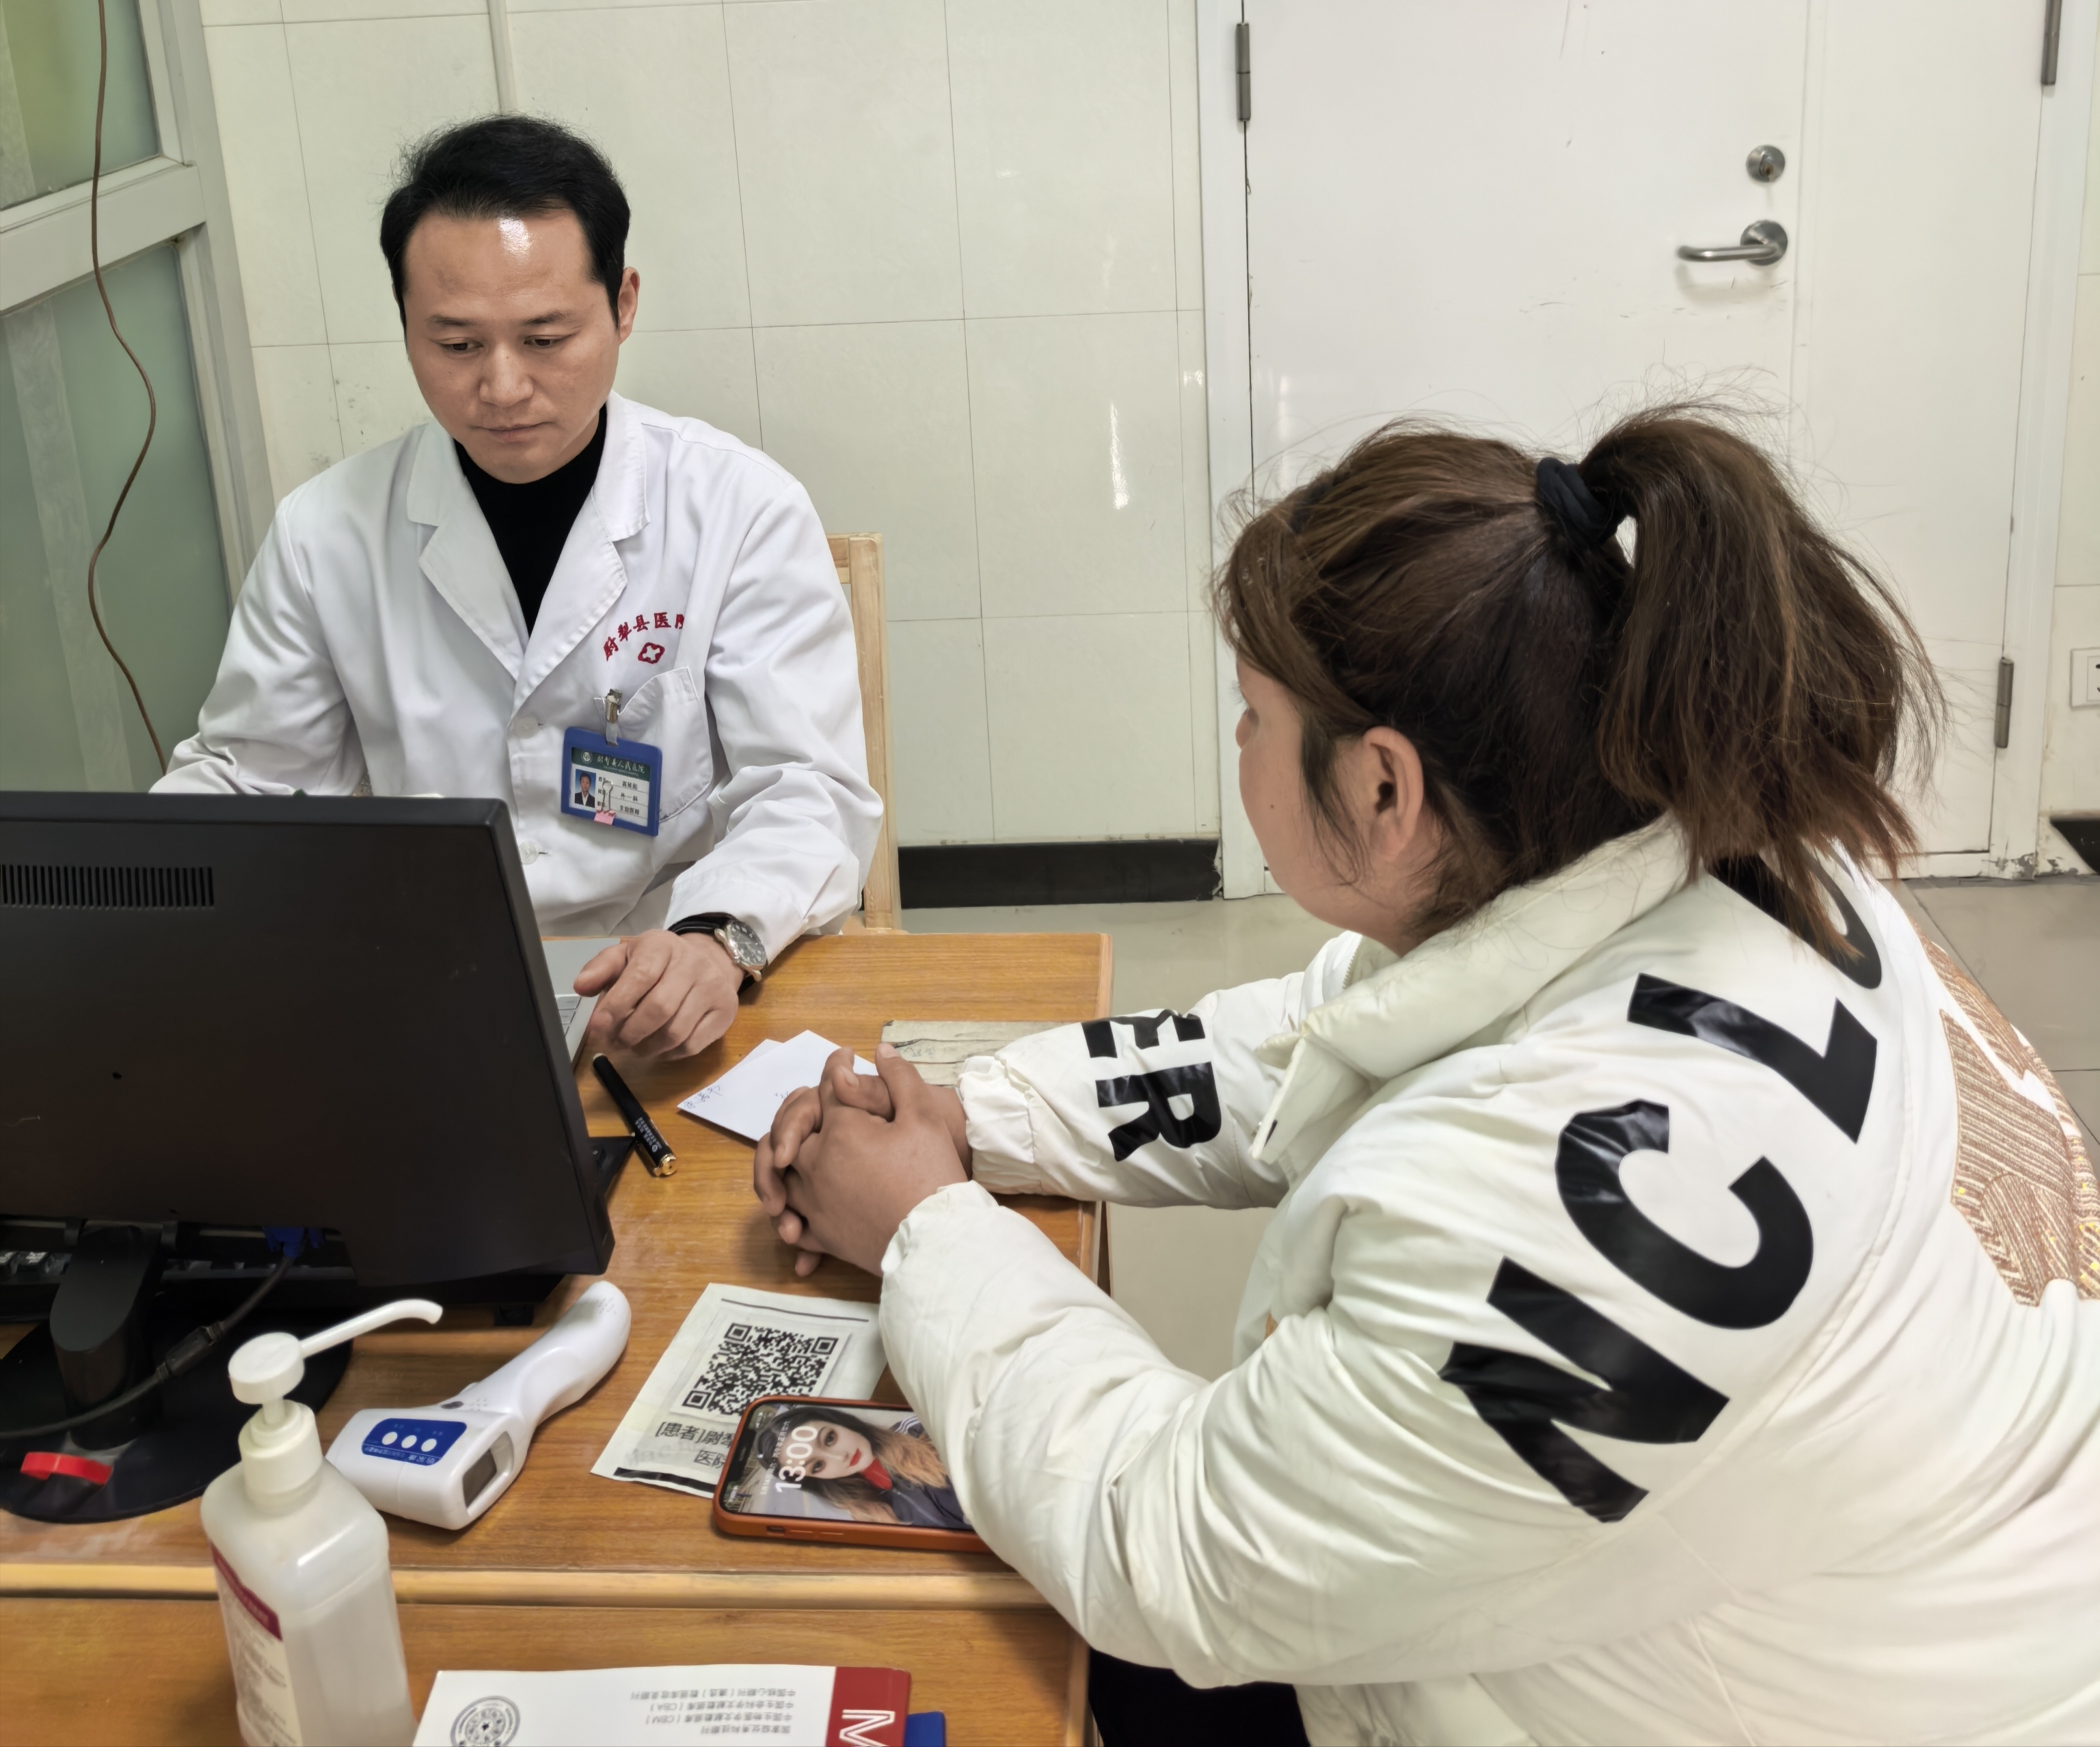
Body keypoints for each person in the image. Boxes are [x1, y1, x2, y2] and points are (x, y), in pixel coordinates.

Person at [754, 406, 2100, 1744]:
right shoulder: (1730, 850)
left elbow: (1170, 1551)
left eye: (1252, 716)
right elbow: (1332, 1032)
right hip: (1826, 1606)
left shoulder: (1546, 1227)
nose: (1237, 748)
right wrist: (973, 1118)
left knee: (1005, 1616)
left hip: (1813, 1707)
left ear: (1384, 789)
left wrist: (927, 1227)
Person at [154, 116, 879, 1061]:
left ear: (622, 304)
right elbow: (254, 783)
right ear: (406, 322)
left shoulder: (738, 507)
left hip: (675, 972)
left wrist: (717, 939)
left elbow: (806, 786)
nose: (502, 388)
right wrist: (134, 881)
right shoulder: (326, 532)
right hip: (430, 983)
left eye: (545, 338)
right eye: (456, 345)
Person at [751, 1404, 971, 1531]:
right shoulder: (869, 1515)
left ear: (840, 1422)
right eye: (818, 1466)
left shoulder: (921, 1431)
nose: (840, 1456)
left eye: (830, 1438)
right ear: (815, 1480)